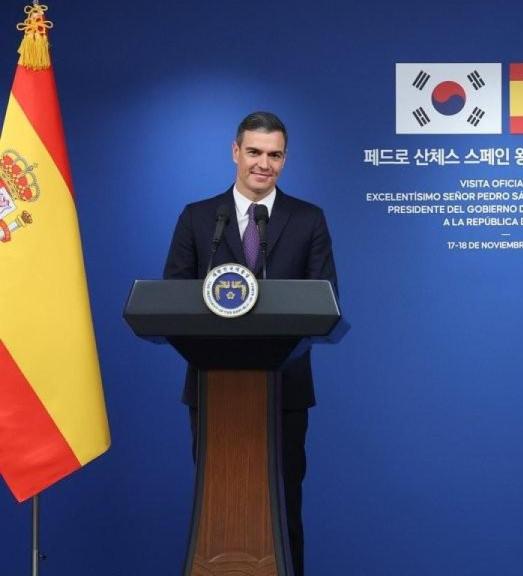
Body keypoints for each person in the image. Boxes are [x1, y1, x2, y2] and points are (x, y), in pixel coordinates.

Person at [163, 111, 337, 576]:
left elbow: (326, 301)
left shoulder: (308, 219)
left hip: (285, 391)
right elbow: (171, 297)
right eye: (255, 152)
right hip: (212, 390)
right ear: (235, 152)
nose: (265, 164)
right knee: (218, 505)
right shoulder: (200, 218)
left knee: (284, 508)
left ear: (285, 159)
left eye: (275, 155)